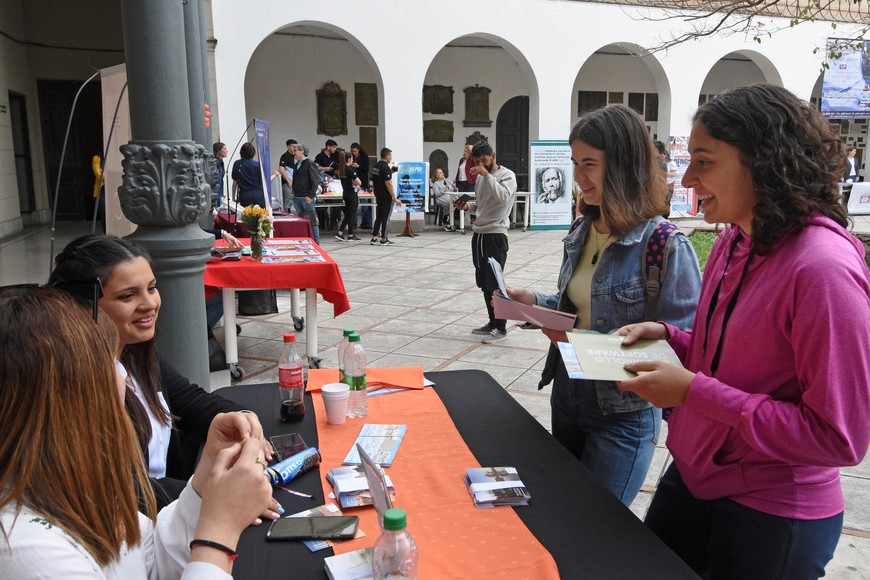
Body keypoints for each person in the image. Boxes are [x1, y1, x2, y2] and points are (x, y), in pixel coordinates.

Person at [617, 84, 870, 578]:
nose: (686, 178)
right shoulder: (735, 240)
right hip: (696, 476)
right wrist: (670, 338)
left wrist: (693, 392)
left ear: (765, 162)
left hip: (773, 511)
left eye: (704, 162)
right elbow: (732, 361)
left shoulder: (822, 269)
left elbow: (840, 438)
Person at [0, 287, 276, 578]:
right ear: (64, 398)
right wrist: (218, 532)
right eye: (107, 364)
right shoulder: (25, 550)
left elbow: (150, 559)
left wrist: (204, 485)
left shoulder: (75, 486)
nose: (122, 377)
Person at [505, 105, 702, 506]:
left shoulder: (664, 245)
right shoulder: (582, 230)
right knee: (563, 515)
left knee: (597, 526)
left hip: (623, 414)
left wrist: (580, 341)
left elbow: (682, 350)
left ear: (624, 165)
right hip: (568, 397)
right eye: (575, 163)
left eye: (590, 164)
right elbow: (578, 307)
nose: (578, 177)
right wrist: (532, 303)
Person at [48, 234, 269, 508]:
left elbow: (190, 399)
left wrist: (243, 421)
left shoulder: (135, 353)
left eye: (151, 288)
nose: (150, 303)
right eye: (128, 295)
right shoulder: (74, 384)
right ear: (84, 306)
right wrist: (213, 497)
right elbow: (120, 490)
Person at [454, 140, 517, 343]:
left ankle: (501, 328)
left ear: (494, 156)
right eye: (477, 161)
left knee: (495, 283)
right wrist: (467, 207)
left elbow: (502, 199)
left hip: (496, 235)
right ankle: (492, 321)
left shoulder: (507, 175)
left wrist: (486, 175)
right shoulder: (483, 179)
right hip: (479, 235)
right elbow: (482, 206)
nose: (481, 164)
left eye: (485, 160)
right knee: (483, 283)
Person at [291, 143, 322, 245]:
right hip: (297, 197)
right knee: (302, 221)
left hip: (306, 197)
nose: (294, 152)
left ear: (302, 151)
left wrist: (311, 195)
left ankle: (316, 243)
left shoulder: (309, 163)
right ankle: (305, 241)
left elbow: (315, 180)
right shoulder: (296, 165)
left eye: (296, 150)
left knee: (312, 221)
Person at [371, 147, 402, 245]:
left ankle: (374, 237)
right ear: (387, 156)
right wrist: (395, 198)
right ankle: (384, 238)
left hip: (378, 195)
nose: (391, 158)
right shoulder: (385, 167)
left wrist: (391, 172)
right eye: (390, 156)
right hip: (386, 196)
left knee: (379, 216)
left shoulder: (376, 166)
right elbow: (388, 183)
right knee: (386, 217)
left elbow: (380, 177)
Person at [336, 149, 362, 242]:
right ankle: (350, 234)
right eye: (351, 158)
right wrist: (357, 185)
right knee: (352, 214)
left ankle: (340, 232)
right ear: (349, 159)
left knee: (348, 214)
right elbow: (359, 182)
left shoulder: (341, 169)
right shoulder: (349, 170)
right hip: (352, 193)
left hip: (345, 193)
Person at [231, 142, 263, 208]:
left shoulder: (236, 164)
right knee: (260, 216)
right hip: (258, 195)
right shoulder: (258, 164)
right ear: (253, 152)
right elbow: (264, 182)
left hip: (244, 196)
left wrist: (233, 197)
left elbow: (235, 182)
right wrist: (274, 175)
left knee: (246, 216)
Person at [351, 143, 372, 229]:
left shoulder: (364, 157)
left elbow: (366, 169)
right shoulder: (351, 157)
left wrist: (358, 166)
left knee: (364, 204)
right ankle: (354, 223)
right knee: (354, 204)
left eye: (355, 151)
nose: (354, 153)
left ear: (358, 150)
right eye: (352, 151)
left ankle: (366, 222)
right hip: (354, 182)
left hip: (362, 182)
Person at [278, 138, 297, 213]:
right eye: (293, 146)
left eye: (296, 146)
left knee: (291, 200)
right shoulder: (285, 156)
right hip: (287, 182)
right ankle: (286, 216)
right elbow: (281, 169)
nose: (295, 148)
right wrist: (288, 181)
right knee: (287, 201)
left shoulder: (295, 157)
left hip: (293, 182)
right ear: (288, 147)